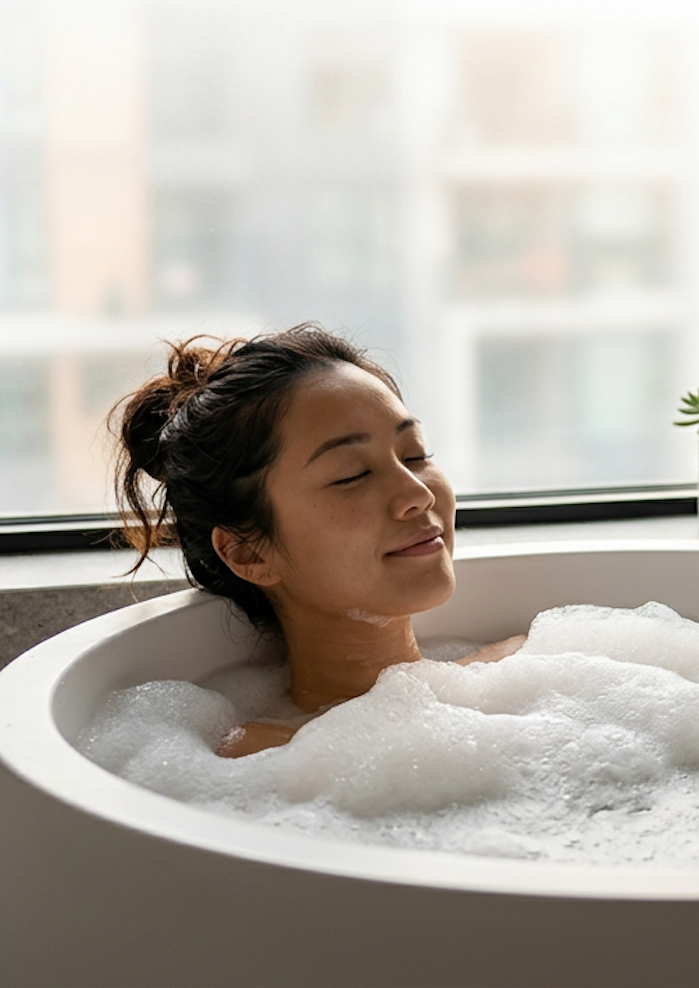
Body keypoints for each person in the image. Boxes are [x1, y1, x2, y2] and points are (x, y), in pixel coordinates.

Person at [113, 324, 523, 759]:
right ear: (248, 552)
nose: (418, 495)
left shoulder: (523, 673)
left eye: (414, 455)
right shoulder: (248, 762)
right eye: (352, 475)